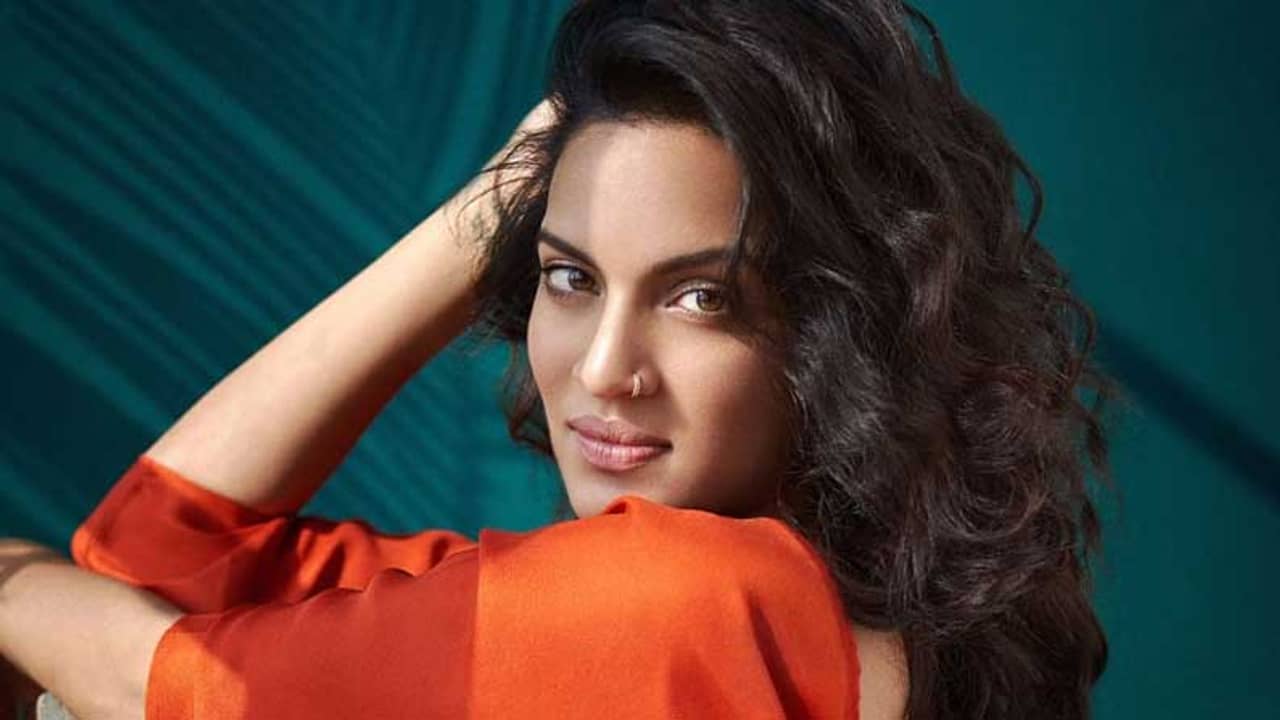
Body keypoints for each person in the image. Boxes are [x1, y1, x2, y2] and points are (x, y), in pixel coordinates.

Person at [0, 1, 1117, 718]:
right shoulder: (821, 615)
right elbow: (155, 559)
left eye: (700, 297)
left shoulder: (682, 602)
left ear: (832, 330)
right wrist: (507, 207)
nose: (603, 369)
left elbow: (157, 680)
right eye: (569, 278)